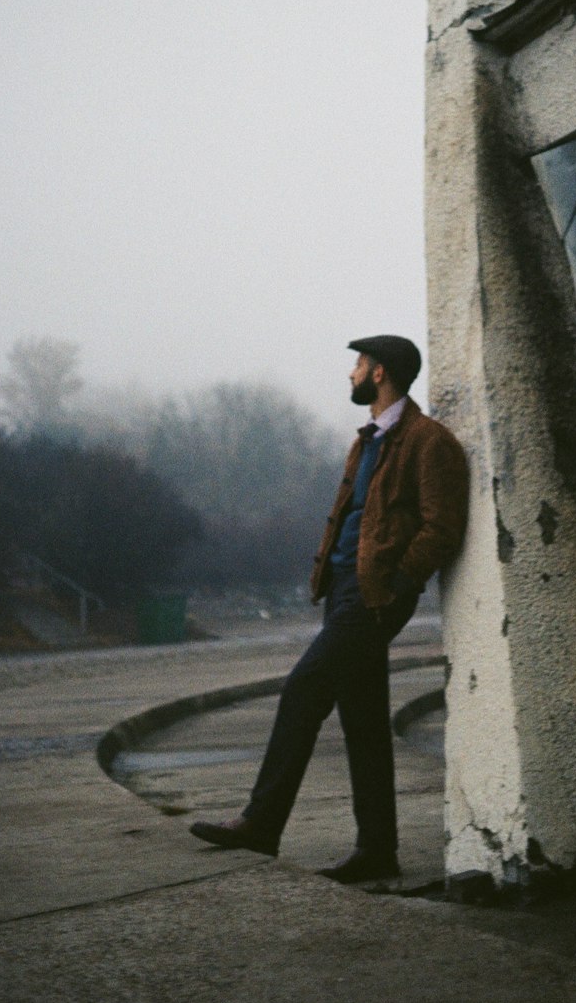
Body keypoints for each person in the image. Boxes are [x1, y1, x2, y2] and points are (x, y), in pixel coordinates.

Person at [189, 335, 469, 883]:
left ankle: (262, 823)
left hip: (375, 596)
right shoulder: (367, 440)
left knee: (302, 691)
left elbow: (443, 526)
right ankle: (377, 852)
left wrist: (402, 581)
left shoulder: (428, 442)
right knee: (362, 720)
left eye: (358, 365)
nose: (351, 374)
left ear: (380, 372)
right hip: (344, 589)